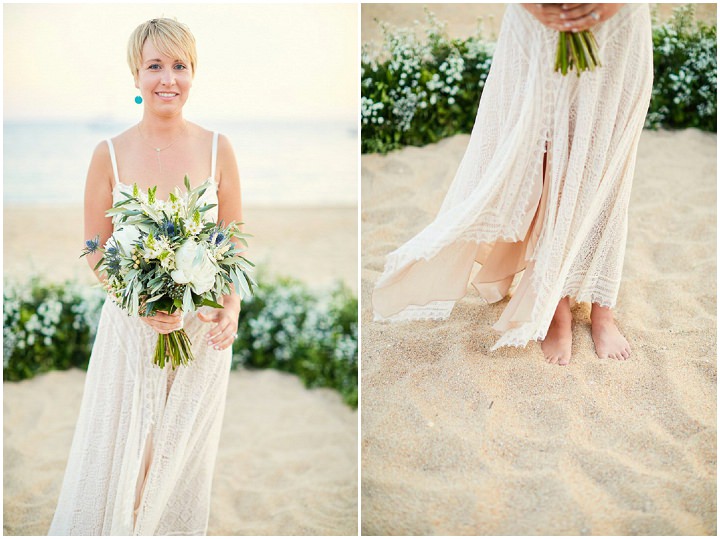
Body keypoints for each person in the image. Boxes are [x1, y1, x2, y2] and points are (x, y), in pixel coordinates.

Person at [372, 3, 653, 366]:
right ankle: (556, 308)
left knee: (611, 161)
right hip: (541, 26)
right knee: (549, 161)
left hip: (619, 24)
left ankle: (604, 310)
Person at [49, 18, 243, 535]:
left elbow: (231, 240)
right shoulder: (107, 153)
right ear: (136, 75)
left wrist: (231, 310)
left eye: (180, 66)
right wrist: (140, 302)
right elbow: (94, 246)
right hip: (132, 333)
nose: (168, 79)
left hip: (200, 333)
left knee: (178, 459)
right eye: (155, 66)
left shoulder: (218, 146)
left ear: (193, 73)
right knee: (129, 453)